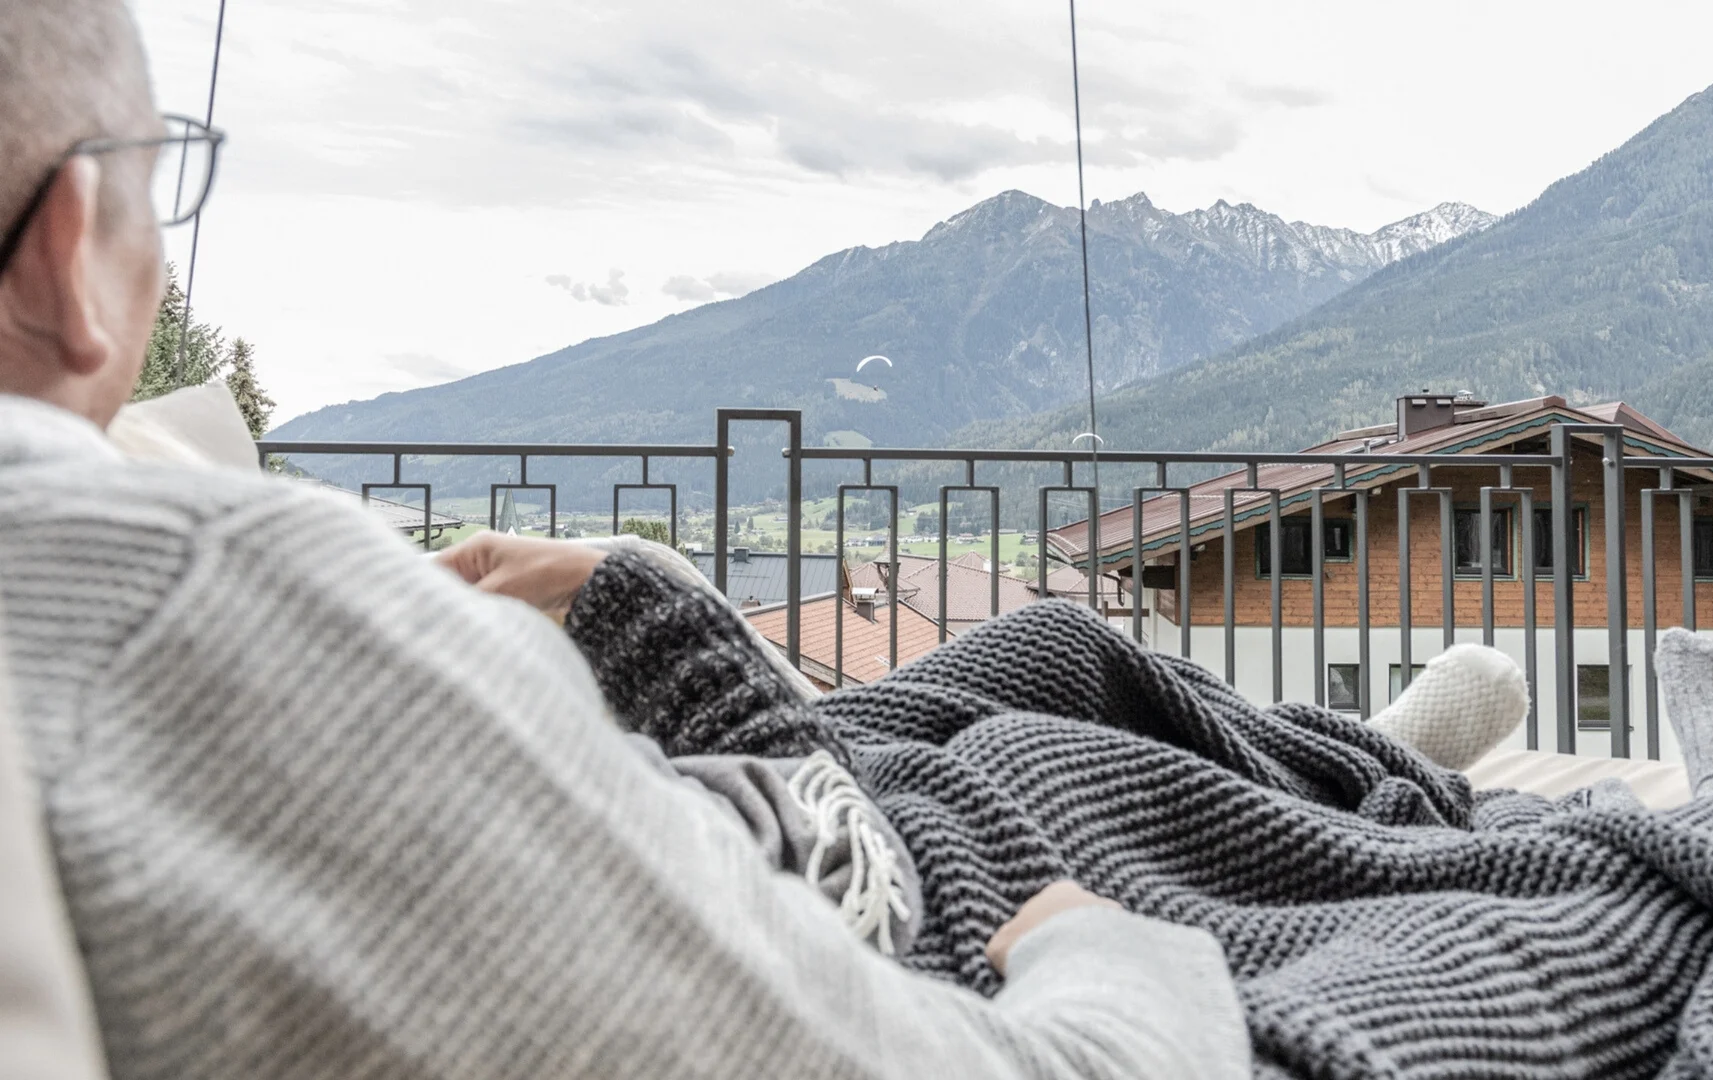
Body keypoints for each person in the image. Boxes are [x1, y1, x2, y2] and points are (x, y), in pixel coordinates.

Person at [0, 3, 1251, 1078]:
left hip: (810, 808)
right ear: (67, 248)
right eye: (160, 183)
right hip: (985, 940)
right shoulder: (214, 621)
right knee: (1076, 698)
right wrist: (1104, 944)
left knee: (1046, 663)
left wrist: (646, 594)